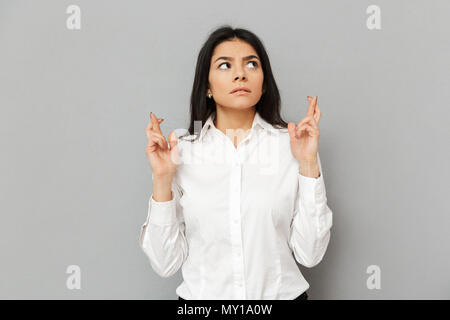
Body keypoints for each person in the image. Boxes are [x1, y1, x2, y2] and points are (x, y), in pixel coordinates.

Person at [139, 25, 333, 300]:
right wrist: (162, 179)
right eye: (225, 65)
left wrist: (309, 164)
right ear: (206, 85)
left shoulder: (292, 146)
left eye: (251, 64)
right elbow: (165, 263)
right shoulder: (180, 152)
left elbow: (310, 254)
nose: (240, 73)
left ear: (264, 83)